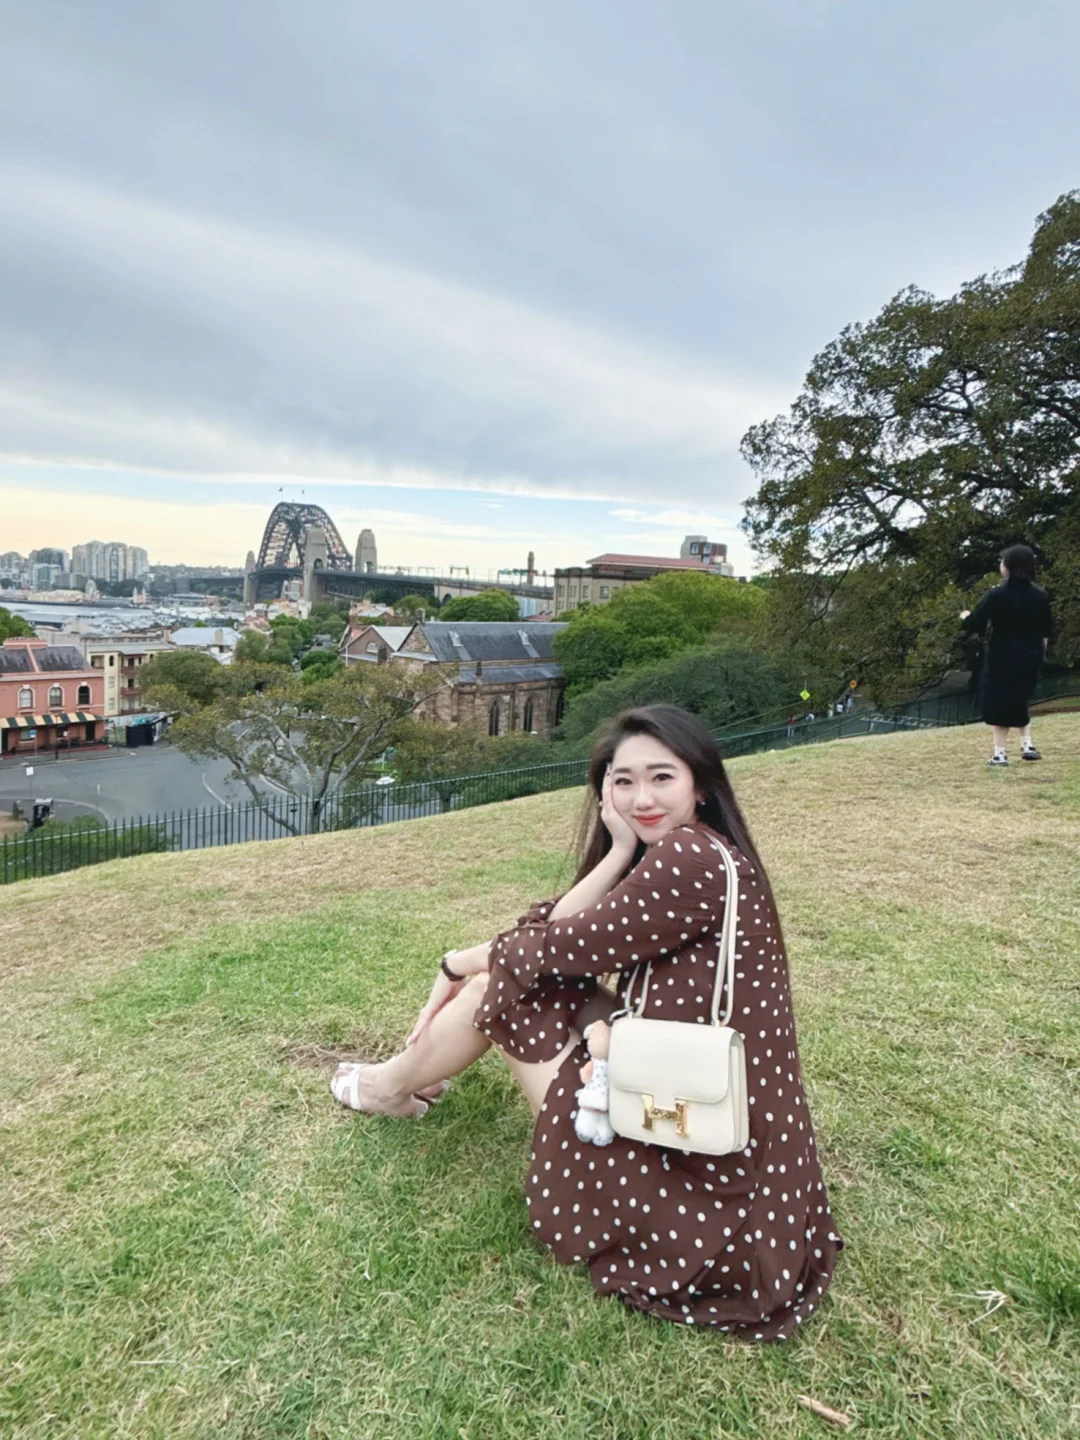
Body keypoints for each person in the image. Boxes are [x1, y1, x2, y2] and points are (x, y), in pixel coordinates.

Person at [330, 705, 842, 1339]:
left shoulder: (689, 858)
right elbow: (558, 935)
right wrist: (619, 850)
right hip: (739, 1152)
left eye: (662, 777)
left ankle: (389, 1087)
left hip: (705, 1182)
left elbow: (547, 948)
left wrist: (455, 962)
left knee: (504, 990)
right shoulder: (709, 851)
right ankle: (396, 1083)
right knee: (518, 979)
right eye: (623, 781)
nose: (641, 798)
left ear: (701, 786)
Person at [961, 545, 1053, 766]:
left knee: (999, 702)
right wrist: (1041, 655)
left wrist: (965, 616)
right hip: (1030, 654)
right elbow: (1046, 630)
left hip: (1002, 655)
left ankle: (1000, 753)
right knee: (1021, 698)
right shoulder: (1040, 595)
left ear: (1008, 566)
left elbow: (976, 623)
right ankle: (1027, 744)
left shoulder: (996, 594)